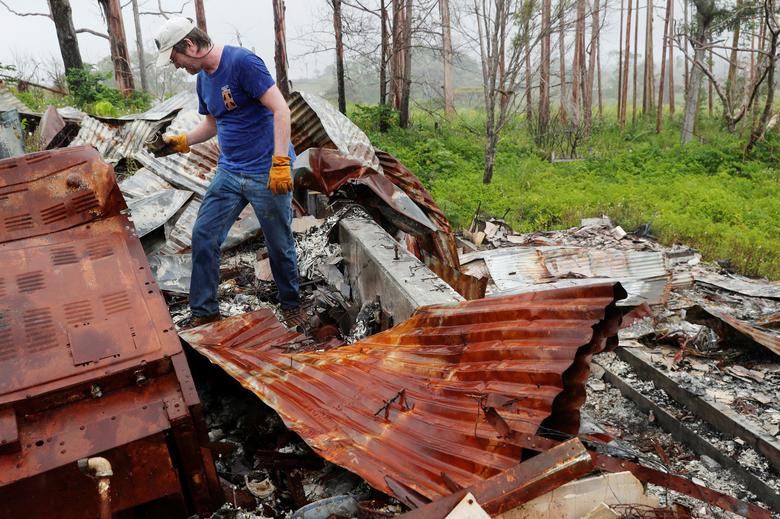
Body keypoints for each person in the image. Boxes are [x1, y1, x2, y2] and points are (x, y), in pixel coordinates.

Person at [153, 17, 299, 327]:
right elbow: (212, 124)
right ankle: (205, 313)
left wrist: (281, 162)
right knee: (204, 234)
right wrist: (180, 141)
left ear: (189, 45)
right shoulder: (203, 79)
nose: (177, 66)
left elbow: (281, 110)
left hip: (266, 170)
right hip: (230, 171)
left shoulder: (242, 62)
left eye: (175, 58)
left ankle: (292, 305)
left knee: (279, 244)